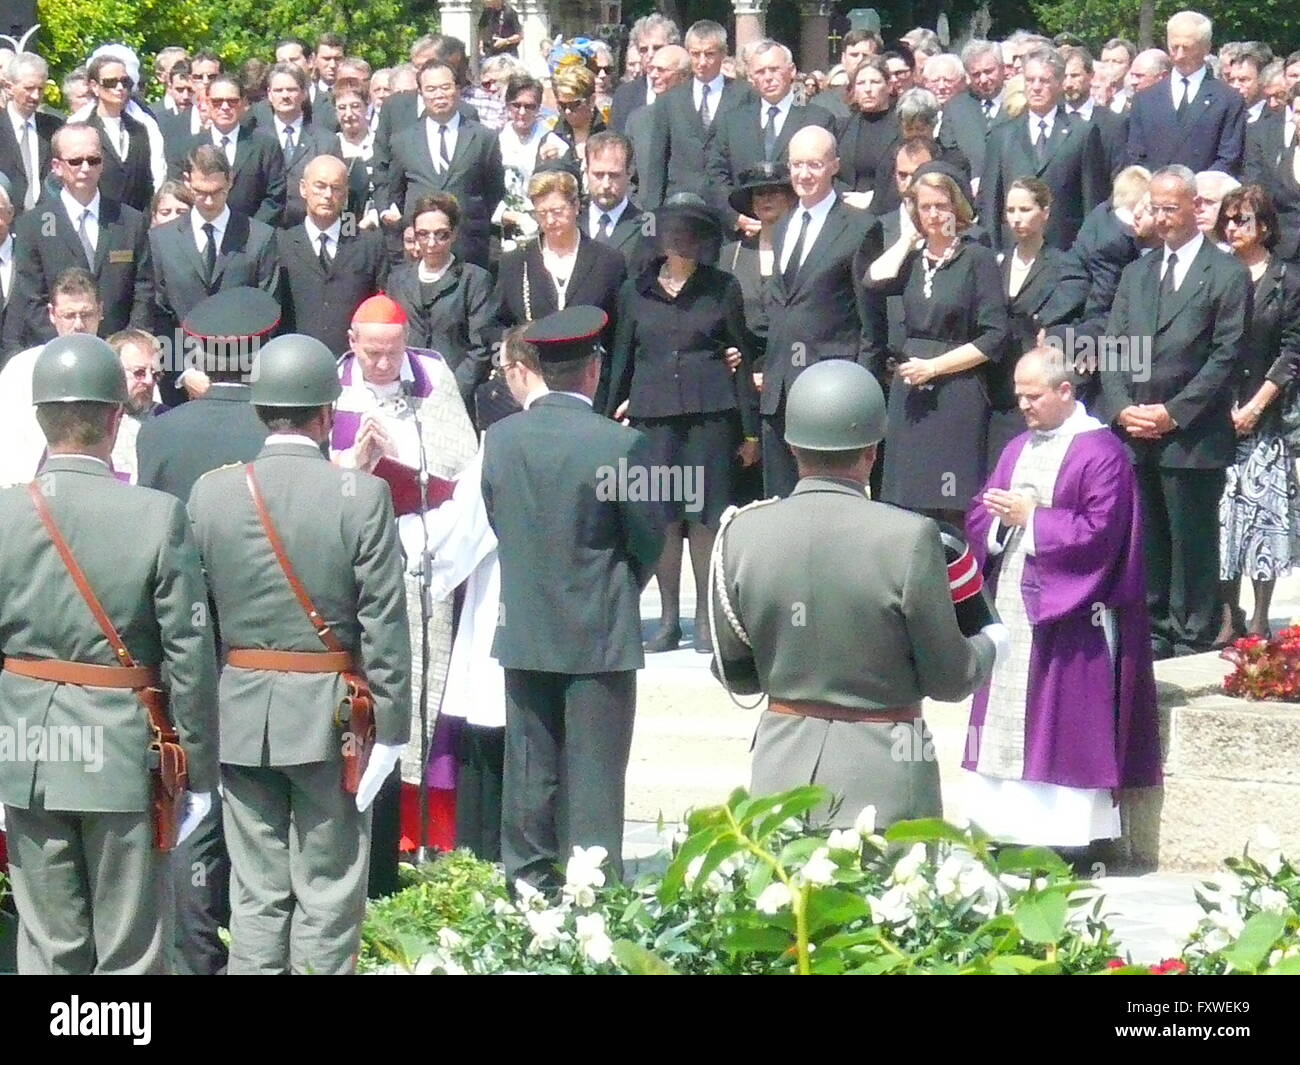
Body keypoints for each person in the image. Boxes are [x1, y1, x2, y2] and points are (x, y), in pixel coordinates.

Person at [188, 332, 411, 975]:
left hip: (239, 713)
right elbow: (384, 627)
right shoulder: (363, 496)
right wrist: (391, 731)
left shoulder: (211, 494)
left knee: (255, 892)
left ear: (262, 411)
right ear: (325, 415)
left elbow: (192, 626)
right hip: (334, 719)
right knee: (330, 886)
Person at [0, 333, 217, 974]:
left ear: (40, 415)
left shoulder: (4, 516)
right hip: (123, 755)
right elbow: (188, 654)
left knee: (46, 944)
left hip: (26, 753)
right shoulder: (158, 516)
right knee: (131, 951)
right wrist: (197, 767)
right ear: (115, 417)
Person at [710, 359, 1001, 829]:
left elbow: (737, 675)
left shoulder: (740, 532)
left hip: (779, 779)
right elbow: (951, 679)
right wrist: (992, 642)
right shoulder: (910, 538)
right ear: (871, 451)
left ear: (790, 446)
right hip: (884, 779)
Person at [483, 305, 665, 889]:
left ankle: (528, 886)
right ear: (593, 371)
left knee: (530, 766)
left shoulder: (502, 438)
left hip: (526, 623)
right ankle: (593, 892)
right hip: (599, 628)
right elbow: (647, 538)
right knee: (594, 772)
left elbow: (499, 518)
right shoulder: (624, 443)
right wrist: (614, 588)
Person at [964, 347, 1162, 855]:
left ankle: (1065, 838)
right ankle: (1003, 830)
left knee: (1061, 722)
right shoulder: (1017, 448)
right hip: (1013, 601)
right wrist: (996, 522)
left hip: (1073, 617)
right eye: (1019, 397)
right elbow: (982, 512)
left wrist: (1033, 518)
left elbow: (1103, 535)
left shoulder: (1102, 453)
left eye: (1033, 396)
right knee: (1007, 721)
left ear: (1065, 391)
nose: (1024, 407)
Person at [1100, 165, 1250, 658]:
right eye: (1155, 209)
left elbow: (1225, 355)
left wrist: (1173, 412)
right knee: (1149, 534)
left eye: (1171, 208)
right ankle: (1153, 622)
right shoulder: (1136, 273)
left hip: (1193, 433)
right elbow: (1116, 346)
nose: (1162, 219)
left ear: (1194, 208)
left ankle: (1193, 627)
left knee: (1192, 535)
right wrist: (1123, 408)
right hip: (1137, 430)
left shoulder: (1225, 273)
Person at [606, 198, 759, 653]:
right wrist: (605, 418)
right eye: (676, 232)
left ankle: (708, 619)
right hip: (653, 418)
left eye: (692, 233)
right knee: (664, 516)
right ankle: (669, 618)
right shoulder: (635, 291)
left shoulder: (723, 287)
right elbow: (621, 361)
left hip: (711, 415)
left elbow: (743, 353)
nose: (683, 242)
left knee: (706, 515)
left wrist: (750, 430)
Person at [866, 166, 1010, 526]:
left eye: (942, 206)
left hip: (956, 391)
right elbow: (873, 281)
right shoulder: (911, 260)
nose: (933, 214)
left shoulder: (977, 258)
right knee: (906, 500)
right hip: (911, 394)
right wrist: (906, 240)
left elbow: (994, 336)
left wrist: (935, 366)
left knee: (949, 503)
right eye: (925, 206)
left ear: (957, 208)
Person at [757, 126, 879, 498]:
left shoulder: (860, 228)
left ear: (834, 166)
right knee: (780, 500)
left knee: (831, 499)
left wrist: (863, 394)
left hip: (832, 390)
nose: (804, 174)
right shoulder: (782, 226)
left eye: (814, 164)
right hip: (780, 390)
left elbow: (871, 323)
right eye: (796, 165)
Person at [1213, 186, 1300, 642]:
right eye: (1227, 219)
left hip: (1264, 413)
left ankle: (1262, 613)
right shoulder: (1216, 273)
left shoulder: (1288, 280)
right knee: (1225, 518)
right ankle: (1231, 612)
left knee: (1263, 517)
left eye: (1241, 219)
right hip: (1217, 410)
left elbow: (1292, 351)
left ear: (1264, 225)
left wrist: (1256, 404)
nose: (1232, 228)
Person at [4, 122, 154, 353]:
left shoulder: (131, 221)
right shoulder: (34, 225)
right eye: (75, 161)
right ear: (57, 166)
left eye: (93, 160)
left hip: (118, 355)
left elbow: (143, 290)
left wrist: (126, 344)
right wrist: (68, 343)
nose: (85, 168)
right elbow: (30, 298)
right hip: (56, 351)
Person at [495, 168, 625, 402]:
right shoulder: (515, 262)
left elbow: (620, 333)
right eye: (541, 213)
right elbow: (498, 323)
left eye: (557, 211)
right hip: (534, 387)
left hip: (591, 387)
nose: (550, 221)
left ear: (576, 207)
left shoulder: (608, 261)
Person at [988, 178, 1089, 465]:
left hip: (1036, 384)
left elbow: (1069, 317)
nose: (1016, 218)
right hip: (994, 384)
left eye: (1025, 209)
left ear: (1045, 212)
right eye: (1010, 211)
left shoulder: (1064, 265)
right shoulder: (994, 262)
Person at [376, 59, 505, 270]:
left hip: (469, 249)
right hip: (420, 250)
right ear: (421, 93)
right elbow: (396, 192)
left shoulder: (483, 137)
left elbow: (494, 191)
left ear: (457, 89)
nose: (439, 95)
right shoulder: (402, 140)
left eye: (445, 87)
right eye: (431, 89)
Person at [979, 47, 1107, 252]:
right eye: (1030, 80)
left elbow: (1092, 203)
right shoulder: (1002, 135)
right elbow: (990, 204)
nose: (1036, 87)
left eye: (1044, 81)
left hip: (1064, 252)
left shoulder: (1082, 133)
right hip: (1014, 252)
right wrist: (993, 253)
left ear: (1059, 83)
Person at [705, 39, 834, 237]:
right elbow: (716, 174)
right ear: (751, 78)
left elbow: (829, 176)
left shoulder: (818, 119)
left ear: (791, 71)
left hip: (801, 230)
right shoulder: (732, 121)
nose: (768, 78)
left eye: (774, 69)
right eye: (760, 72)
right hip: (744, 231)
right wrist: (735, 217)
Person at [0, 268, 108, 486]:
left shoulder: (123, 364)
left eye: (86, 314)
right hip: (30, 492)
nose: (78, 324)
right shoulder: (21, 369)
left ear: (100, 311)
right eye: (69, 315)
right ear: (52, 313)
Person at [386, 192, 496, 406]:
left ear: (454, 234)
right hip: (406, 393)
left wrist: (452, 391)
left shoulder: (474, 280)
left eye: (441, 234)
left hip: (456, 395)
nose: (431, 242)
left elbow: (480, 347)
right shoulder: (397, 280)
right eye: (423, 234)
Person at [277, 154, 386, 355]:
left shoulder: (369, 244)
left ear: (345, 194)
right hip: (297, 361)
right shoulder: (280, 244)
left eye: (336, 188)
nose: (328, 194)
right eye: (320, 186)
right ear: (303, 188)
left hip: (354, 361)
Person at [1125, 11, 1247, 176]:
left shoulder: (1228, 99)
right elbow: (1136, 156)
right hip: (1156, 194)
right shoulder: (1145, 99)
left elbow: (1229, 158)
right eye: (1175, 47)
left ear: (1206, 48)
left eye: (1187, 48)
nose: (1180, 55)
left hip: (1203, 194)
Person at [652, 20, 756, 207]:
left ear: (723, 54)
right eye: (695, 54)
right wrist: (652, 213)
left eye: (709, 55)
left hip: (729, 202)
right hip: (681, 202)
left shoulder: (745, 95)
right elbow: (657, 160)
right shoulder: (670, 100)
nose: (702, 62)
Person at [166, 72, 287, 227]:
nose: (225, 107)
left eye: (232, 101)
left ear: (244, 103)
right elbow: (178, 193)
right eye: (217, 102)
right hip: (200, 232)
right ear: (207, 103)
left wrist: (253, 231)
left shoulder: (266, 145)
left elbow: (275, 197)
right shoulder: (186, 147)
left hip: (250, 237)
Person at [719, 161, 797, 334]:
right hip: (744, 356)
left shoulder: (805, 251)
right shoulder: (731, 256)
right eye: (760, 194)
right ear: (752, 203)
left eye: (774, 192)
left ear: (791, 198)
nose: (766, 199)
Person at [83, 53, 153, 214]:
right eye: (111, 83)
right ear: (94, 86)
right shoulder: (84, 131)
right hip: (99, 220)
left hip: (135, 223)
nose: (120, 88)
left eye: (125, 82)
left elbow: (147, 184)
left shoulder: (140, 130)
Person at [1242, 81, 1300, 259]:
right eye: (1297, 112)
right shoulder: (1282, 156)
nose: (1297, 118)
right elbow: (1252, 194)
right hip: (1284, 254)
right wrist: (1248, 239)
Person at [1, 52, 62, 216]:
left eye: (40, 89)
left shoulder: (55, 128)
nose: (35, 96)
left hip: (46, 222)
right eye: (28, 88)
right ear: (9, 87)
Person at [581, 131, 652, 273]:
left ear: (629, 173)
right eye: (598, 175)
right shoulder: (572, 220)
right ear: (587, 171)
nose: (606, 184)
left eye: (614, 175)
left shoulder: (647, 224)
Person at [836, 57, 896, 209]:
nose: (868, 89)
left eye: (875, 82)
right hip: (847, 209)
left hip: (887, 210)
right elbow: (831, 172)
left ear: (889, 86)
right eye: (861, 83)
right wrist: (846, 196)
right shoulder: (842, 127)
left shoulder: (902, 127)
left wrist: (875, 198)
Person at [105, 328, 163, 481]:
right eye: (139, 373)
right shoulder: (91, 422)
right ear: (113, 371)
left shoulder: (169, 421)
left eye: (155, 374)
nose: (149, 381)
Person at [609, 13, 680, 133]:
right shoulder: (624, 96)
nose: (650, 55)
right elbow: (616, 139)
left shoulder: (689, 90)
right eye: (643, 50)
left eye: (657, 48)